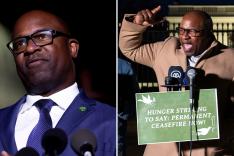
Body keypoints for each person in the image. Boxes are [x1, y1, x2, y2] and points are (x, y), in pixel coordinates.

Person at [119, 5, 234, 156]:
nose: (185, 36)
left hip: (206, 149)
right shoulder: (165, 49)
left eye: (192, 31)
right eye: (181, 30)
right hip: (164, 150)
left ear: (207, 33)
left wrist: (221, 137)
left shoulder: (229, 58)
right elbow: (129, 49)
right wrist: (137, 23)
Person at [0, 9, 116, 156]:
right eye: (19, 44)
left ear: (72, 48)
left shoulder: (110, 121)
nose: (29, 48)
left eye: (42, 36)